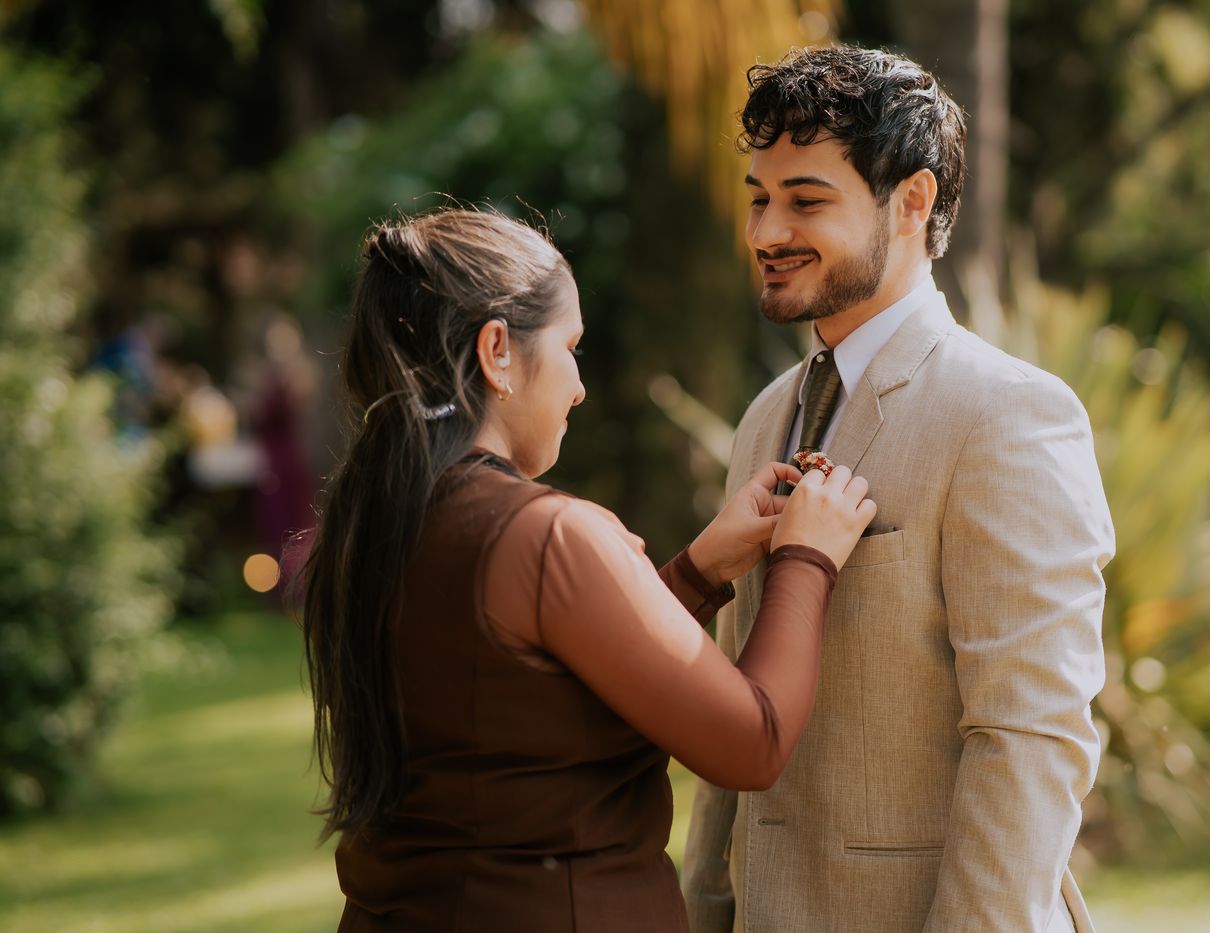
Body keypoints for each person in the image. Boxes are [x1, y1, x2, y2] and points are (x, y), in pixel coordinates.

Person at [298, 207, 876, 931]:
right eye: (570, 347)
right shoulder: (546, 536)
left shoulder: (371, 525)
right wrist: (806, 557)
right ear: (497, 351)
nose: (579, 386)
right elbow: (752, 741)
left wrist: (698, 572)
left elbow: (530, 702)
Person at [681, 46, 1115, 933]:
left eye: (806, 201)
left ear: (913, 202)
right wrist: (707, 910)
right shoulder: (765, 419)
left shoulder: (1008, 414)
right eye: (760, 199)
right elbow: (738, 693)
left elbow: (1030, 735)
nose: (766, 233)